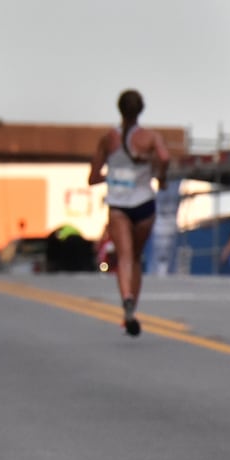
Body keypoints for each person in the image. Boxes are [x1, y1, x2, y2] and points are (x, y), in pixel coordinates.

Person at [88, 89, 171, 337]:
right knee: (136, 257)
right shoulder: (150, 137)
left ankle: (126, 303)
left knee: (124, 258)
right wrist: (159, 176)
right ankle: (133, 304)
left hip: (118, 205)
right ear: (141, 110)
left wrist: (112, 177)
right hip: (145, 203)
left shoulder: (108, 139)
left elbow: (92, 177)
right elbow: (165, 158)